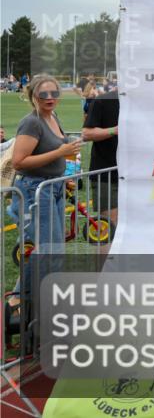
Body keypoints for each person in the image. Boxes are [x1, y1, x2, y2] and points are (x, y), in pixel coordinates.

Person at [8, 75, 81, 315]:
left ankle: (19, 300)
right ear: (33, 96)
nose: (50, 98)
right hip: (35, 190)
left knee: (48, 249)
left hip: (53, 188)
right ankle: (35, 303)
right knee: (51, 251)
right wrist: (60, 152)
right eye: (43, 94)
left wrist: (63, 176)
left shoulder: (53, 117)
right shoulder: (32, 123)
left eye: (54, 93)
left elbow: (54, 153)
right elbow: (19, 162)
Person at [82, 82, 119, 223]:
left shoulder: (147, 103)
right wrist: (114, 130)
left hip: (139, 176)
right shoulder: (103, 100)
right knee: (110, 224)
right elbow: (86, 134)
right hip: (107, 175)